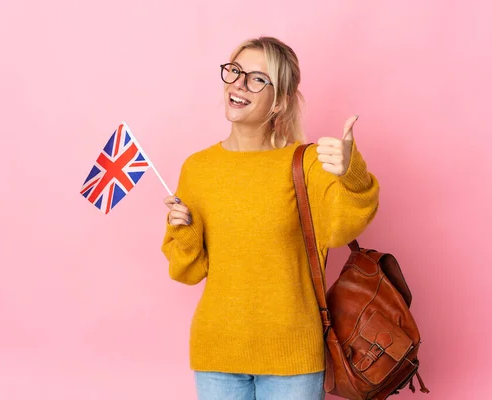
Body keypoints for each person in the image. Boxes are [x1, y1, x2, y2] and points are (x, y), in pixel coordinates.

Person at [161, 36, 380, 400]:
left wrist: (351, 174)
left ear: (279, 101)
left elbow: (342, 229)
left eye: (257, 78)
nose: (239, 84)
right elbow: (188, 271)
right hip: (217, 352)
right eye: (235, 72)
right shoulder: (197, 169)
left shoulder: (307, 163)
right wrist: (182, 233)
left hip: (293, 356)